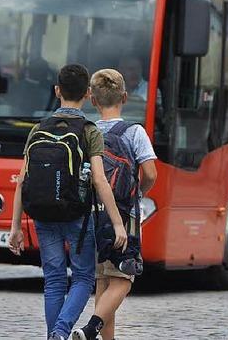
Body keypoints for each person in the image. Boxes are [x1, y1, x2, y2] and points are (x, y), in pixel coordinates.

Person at [8, 64, 128, 340]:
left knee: (53, 280)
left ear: (57, 91)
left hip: (43, 215)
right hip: (77, 217)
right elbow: (99, 180)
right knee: (84, 279)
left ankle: (55, 335)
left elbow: (22, 181)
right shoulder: (89, 131)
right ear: (87, 94)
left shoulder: (38, 129)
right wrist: (118, 224)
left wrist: (15, 227)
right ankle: (60, 333)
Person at [73, 68, 158, 340]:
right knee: (123, 279)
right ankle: (90, 329)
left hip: (94, 215)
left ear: (93, 101)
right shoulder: (134, 132)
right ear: (124, 97)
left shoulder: (88, 132)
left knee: (103, 280)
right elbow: (151, 174)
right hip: (123, 214)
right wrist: (137, 193)